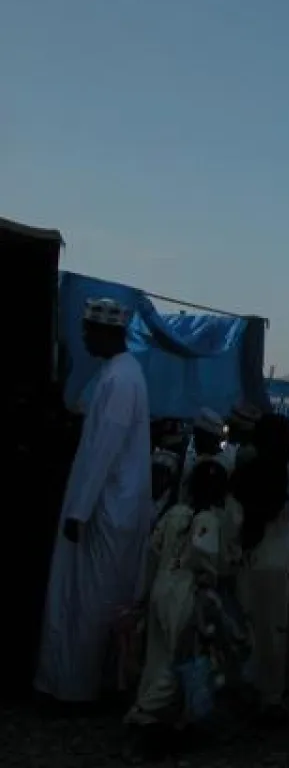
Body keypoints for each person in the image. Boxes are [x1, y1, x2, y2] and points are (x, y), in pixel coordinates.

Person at [36, 297, 153, 705]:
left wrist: (80, 510)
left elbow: (105, 449)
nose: (85, 338)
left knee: (91, 603)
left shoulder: (122, 379)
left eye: (89, 331)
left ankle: (76, 688)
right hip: (104, 506)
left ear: (108, 333)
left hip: (107, 509)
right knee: (90, 599)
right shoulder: (117, 374)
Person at [124, 459, 231, 744]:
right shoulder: (208, 520)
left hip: (161, 585)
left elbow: (154, 548)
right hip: (184, 592)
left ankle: (161, 715)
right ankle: (145, 712)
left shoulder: (175, 513)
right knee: (179, 659)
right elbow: (203, 559)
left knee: (157, 654)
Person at [233, 413, 289, 722]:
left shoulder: (249, 471)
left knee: (250, 629)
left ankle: (252, 690)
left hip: (251, 560)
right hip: (280, 561)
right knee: (275, 632)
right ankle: (272, 697)